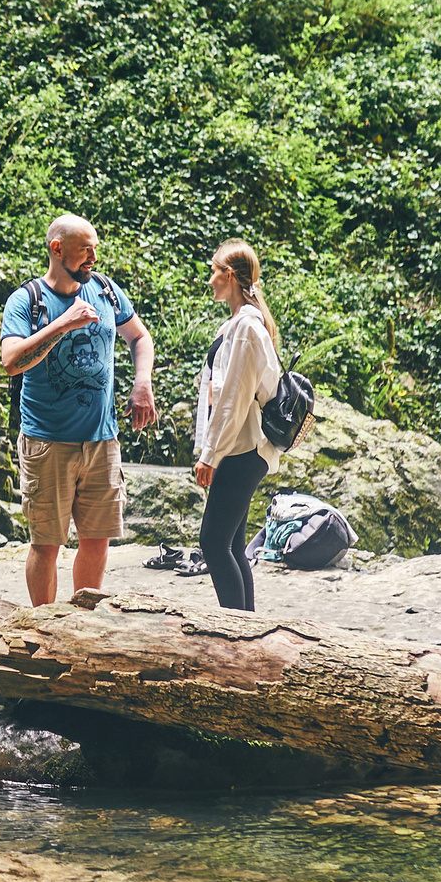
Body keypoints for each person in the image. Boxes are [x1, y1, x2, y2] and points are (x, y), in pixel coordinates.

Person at [0, 214, 157, 605]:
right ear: (57, 249)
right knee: (46, 545)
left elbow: (139, 336)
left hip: (102, 441)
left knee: (97, 541)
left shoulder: (105, 290)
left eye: (95, 247)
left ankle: (85, 626)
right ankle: (45, 631)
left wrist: (142, 384)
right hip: (47, 441)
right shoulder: (28, 300)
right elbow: (12, 361)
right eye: (85, 248)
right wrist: (62, 324)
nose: (93, 256)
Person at [191, 240, 284, 611]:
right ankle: (247, 628)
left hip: (242, 450)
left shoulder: (246, 327)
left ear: (229, 275)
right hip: (240, 448)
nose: (210, 279)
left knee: (213, 543)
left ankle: (238, 634)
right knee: (230, 545)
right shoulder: (236, 324)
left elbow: (233, 398)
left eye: (214, 271)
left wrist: (210, 455)